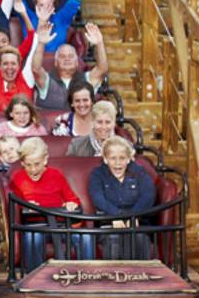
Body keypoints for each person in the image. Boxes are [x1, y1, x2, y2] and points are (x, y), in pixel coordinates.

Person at [10, 136, 94, 270]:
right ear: (22, 163)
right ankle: (35, 276)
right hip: (36, 226)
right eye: (28, 165)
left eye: (37, 164)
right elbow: (16, 205)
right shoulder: (18, 178)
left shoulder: (56, 175)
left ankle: (87, 273)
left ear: (45, 160)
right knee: (33, 238)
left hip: (61, 225)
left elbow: (73, 199)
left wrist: (71, 204)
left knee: (86, 237)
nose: (33, 169)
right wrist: (26, 205)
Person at [88, 135, 156, 259]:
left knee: (139, 238)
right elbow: (98, 198)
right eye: (113, 158)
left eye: (122, 158)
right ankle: (115, 272)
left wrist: (133, 216)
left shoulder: (139, 172)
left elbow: (148, 195)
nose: (118, 163)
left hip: (137, 221)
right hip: (109, 221)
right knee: (114, 238)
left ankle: (141, 271)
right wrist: (116, 215)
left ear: (129, 159)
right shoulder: (97, 174)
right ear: (105, 159)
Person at [32, 21, 109, 111]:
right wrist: (40, 43)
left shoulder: (87, 79)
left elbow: (102, 69)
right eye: (62, 56)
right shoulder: (47, 80)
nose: (67, 59)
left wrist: (99, 43)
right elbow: (36, 69)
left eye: (71, 56)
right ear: (56, 62)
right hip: (51, 120)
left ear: (77, 62)